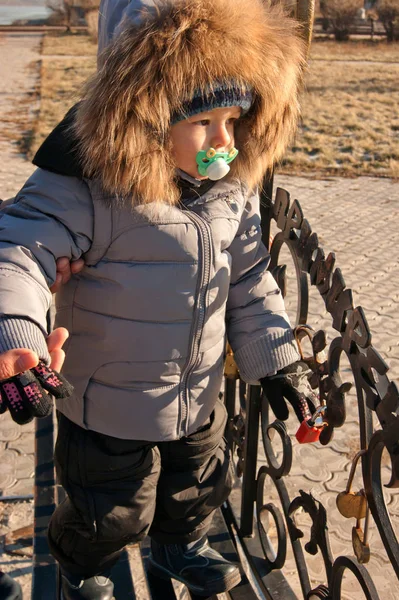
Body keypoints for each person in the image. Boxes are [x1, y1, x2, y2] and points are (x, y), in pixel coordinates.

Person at [0, 1, 319, 598]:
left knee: (196, 485)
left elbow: (250, 281)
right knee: (109, 502)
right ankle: (84, 556)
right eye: (203, 123)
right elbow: (17, 252)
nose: (225, 141)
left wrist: (277, 360)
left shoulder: (230, 193)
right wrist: (19, 340)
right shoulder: (87, 185)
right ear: (148, 119)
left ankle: (181, 545)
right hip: (105, 400)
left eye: (234, 119)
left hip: (198, 393)